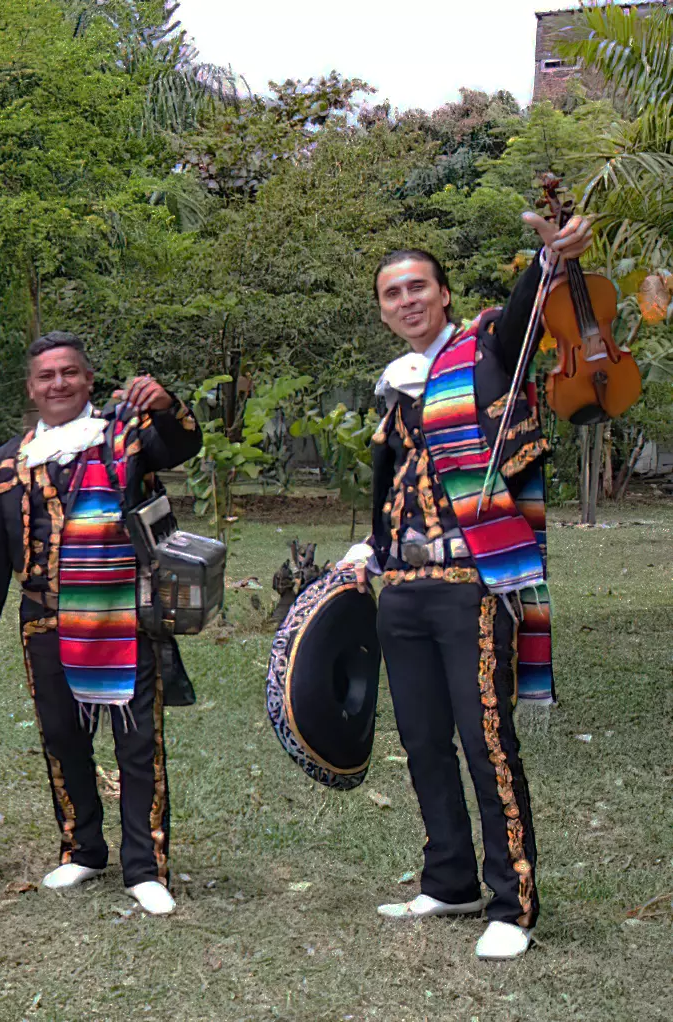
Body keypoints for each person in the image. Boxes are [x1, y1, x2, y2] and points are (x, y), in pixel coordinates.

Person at [336, 211, 590, 961]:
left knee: (486, 744)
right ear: (382, 309)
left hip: (472, 586)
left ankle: (513, 902)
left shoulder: (484, 352)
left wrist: (546, 260)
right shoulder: (397, 387)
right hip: (405, 587)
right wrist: (371, 551)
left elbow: (523, 316)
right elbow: (394, 493)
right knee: (420, 741)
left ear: (444, 295)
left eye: (418, 286)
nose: (407, 299)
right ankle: (449, 881)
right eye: (392, 293)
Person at [0, 333, 199, 917]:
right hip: (42, 615)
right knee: (62, 739)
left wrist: (165, 404)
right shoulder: (10, 458)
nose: (58, 384)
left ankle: (145, 866)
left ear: (89, 380)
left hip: (124, 611)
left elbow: (180, 444)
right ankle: (82, 848)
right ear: (31, 387)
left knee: (138, 743)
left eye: (70, 373)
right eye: (46, 376)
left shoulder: (125, 435)